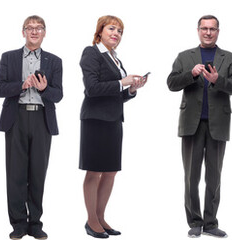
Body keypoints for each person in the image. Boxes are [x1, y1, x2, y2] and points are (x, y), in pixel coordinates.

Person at [166, 15, 232, 238]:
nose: (208, 32)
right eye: (204, 28)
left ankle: (210, 223)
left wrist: (218, 79)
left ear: (218, 31)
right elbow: (171, 83)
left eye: (212, 29)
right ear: (198, 30)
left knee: (214, 175)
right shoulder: (184, 57)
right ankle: (194, 221)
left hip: (218, 123)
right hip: (191, 123)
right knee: (191, 176)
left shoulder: (231, 58)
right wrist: (191, 74)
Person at [79, 15, 148, 239]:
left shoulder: (115, 59)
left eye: (120, 31)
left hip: (114, 120)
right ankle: (91, 221)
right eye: (112, 28)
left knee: (110, 171)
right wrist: (122, 82)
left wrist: (131, 89)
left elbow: (116, 95)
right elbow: (92, 88)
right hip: (96, 120)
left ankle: (100, 217)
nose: (116, 33)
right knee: (94, 170)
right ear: (100, 31)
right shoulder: (91, 53)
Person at [0, 15, 62, 240]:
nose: (34, 32)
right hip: (16, 118)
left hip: (42, 119)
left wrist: (44, 90)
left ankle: (35, 224)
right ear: (23, 32)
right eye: (30, 28)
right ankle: (18, 225)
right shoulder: (9, 57)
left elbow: (59, 95)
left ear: (44, 32)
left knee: (37, 174)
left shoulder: (54, 61)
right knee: (15, 174)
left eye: (39, 28)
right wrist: (20, 85)